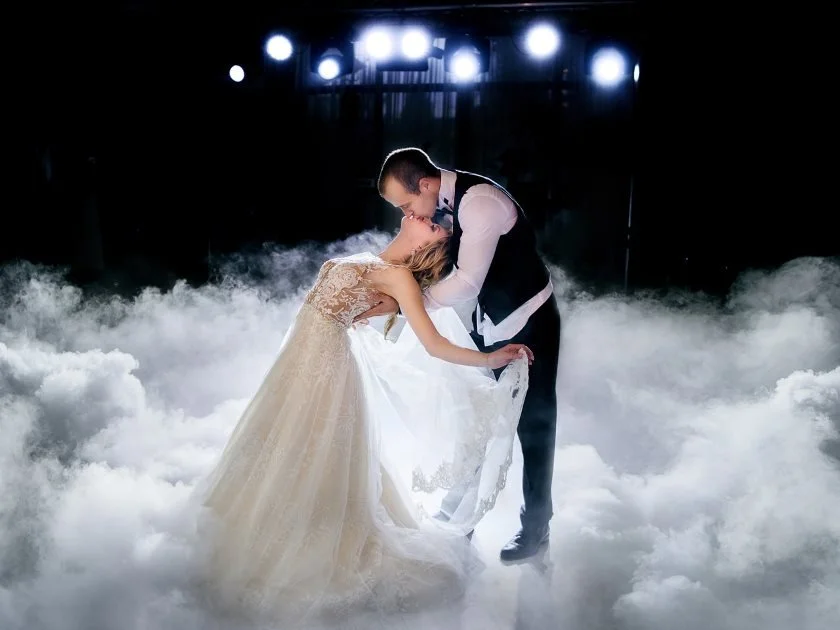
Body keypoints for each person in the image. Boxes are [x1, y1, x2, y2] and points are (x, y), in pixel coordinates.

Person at [190, 214, 533, 625]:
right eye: (436, 219)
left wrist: (490, 358)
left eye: (439, 226)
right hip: (295, 368)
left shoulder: (399, 280)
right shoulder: (370, 262)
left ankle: (309, 544)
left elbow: (435, 344)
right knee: (277, 447)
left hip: (326, 375)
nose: (431, 219)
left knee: (311, 455)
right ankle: (252, 528)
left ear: (430, 246)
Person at [363, 147, 561, 562]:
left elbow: (468, 282)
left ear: (428, 184)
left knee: (534, 426)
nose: (407, 214)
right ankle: (459, 519)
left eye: (406, 203)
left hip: (529, 319)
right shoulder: (436, 205)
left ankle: (536, 527)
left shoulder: (480, 203)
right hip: (485, 323)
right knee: (477, 417)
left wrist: (406, 302)